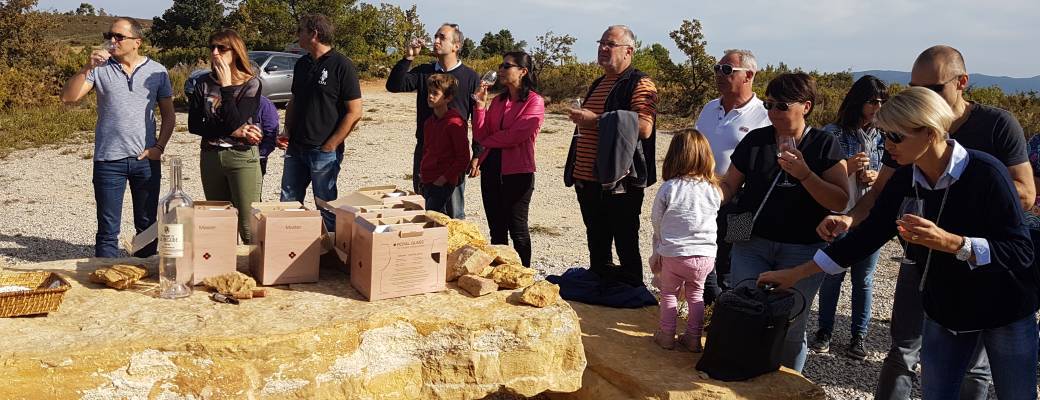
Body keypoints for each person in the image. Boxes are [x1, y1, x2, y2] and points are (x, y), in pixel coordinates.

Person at [761, 87, 1039, 399]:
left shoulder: (986, 173)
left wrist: (954, 243)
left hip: (1004, 308)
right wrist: (796, 274)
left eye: (896, 136)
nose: (887, 145)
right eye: (883, 135)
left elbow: (1020, 252)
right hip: (946, 309)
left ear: (930, 133)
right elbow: (867, 237)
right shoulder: (905, 178)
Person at [719, 72, 849, 372]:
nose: (773, 112)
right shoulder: (756, 139)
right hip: (749, 238)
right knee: (744, 311)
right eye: (768, 104)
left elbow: (840, 201)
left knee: (790, 323)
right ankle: (742, 377)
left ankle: (789, 386)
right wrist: (699, 194)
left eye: (781, 105)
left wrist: (805, 175)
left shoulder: (824, 144)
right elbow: (730, 186)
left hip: (802, 248)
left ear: (806, 106)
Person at [60, 17, 174, 258]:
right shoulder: (99, 69)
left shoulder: (157, 71)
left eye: (119, 36)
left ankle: (144, 275)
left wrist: (159, 148)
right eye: (109, 36)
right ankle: (106, 277)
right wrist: (87, 67)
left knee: (147, 226)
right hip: (108, 161)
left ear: (137, 42)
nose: (112, 41)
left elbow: (169, 115)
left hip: (145, 160)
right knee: (107, 231)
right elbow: (68, 98)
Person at [564, 25, 659, 287]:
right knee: (597, 243)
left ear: (629, 51)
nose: (603, 48)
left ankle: (632, 296)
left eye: (610, 44)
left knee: (625, 243)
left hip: (621, 182)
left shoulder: (639, 83)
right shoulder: (599, 83)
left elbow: (644, 127)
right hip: (589, 180)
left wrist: (595, 120)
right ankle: (600, 293)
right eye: (601, 43)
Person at [811, 75, 889, 359]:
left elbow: (893, 175)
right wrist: (846, 167)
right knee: (832, 274)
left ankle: (859, 336)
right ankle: (824, 331)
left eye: (882, 101)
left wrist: (877, 177)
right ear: (858, 101)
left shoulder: (884, 136)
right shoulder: (832, 134)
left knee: (864, 279)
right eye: (872, 101)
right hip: (839, 214)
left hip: (869, 216)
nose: (878, 107)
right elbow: (818, 175)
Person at [694, 49, 771, 305]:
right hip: (704, 197)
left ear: (749, 75)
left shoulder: (764, 115)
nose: (719, 74)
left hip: (743, 203)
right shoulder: (709, 108)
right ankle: (707, 312)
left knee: (734, 260)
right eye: (717, 68)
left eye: (727, 70)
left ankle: (730, 314)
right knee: (703, 254)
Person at [386, 23, 480, 219]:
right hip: (425, 150)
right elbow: (394, 85)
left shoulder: (470, 77)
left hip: (453, 154)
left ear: (456, 46)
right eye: (435, 36)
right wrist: (408, 57)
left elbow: (478, 117)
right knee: (425, 208)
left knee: (453, 213)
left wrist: (477, 154)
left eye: (442, 37)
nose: (435, 40)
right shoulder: (424, 71)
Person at [278, 14, 363, 231]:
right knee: (288, 202)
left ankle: (332, 247)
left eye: (300, 30)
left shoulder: (342, 65)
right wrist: (287, 129)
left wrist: (331, 145)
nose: (297, 35)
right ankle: (288, 245)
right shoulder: (302, 64)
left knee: (326, 206)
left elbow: (355, 112)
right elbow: (294, 100)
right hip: (296, 148)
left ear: (314, 34)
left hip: (323, 151)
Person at [649, 128, 721, 353]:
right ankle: (693, 338)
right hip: (705, 255)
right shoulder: (713, 189)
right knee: (696, 295)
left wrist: (660, 242)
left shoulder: (670, 188)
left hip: (676, 253)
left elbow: (656, 219)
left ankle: (667, 335)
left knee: (669, 293)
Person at [187, 29, 263, 244]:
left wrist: (227, 86)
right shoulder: (202, 83)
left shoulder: (251, 84)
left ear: (236, 52)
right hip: (210, 156)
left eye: (221, 48)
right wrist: (233, 131)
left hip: (241, 157)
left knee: (248, 225)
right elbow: (194, 125)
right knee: (219, 222)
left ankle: (252, 263)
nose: (215, 53)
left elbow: (234, 121)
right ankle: (225, 263)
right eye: (212, 47)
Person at [472, 51, 545, 268]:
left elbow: (516, 135)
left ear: (523, 71)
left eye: (507, 66)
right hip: (492, 169)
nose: (501, 70)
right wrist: (480, 107)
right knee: (496, 229)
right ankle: (500, 274)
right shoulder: (498, 101)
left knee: (518, 229)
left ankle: (523, 274)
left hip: (518, 172)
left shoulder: (534, 101)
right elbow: (480, 134)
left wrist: (488, 141)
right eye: (501, 66)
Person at [419, 74, 469, 214]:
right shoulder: (429, 122)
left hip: (442, 182)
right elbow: (427, 150)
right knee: (430, 218)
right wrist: (422, 173)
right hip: (427, 179)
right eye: (429, 92)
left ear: (448, 98)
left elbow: (463, 158)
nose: (430, 96)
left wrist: (444, 178)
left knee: (436, 218)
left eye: (435, 93)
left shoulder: (454, 123)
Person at [256, 95, 280, 176]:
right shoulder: (225, 100)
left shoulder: (264, 104)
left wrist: (261, 155)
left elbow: (271, 134)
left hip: (255, 158)